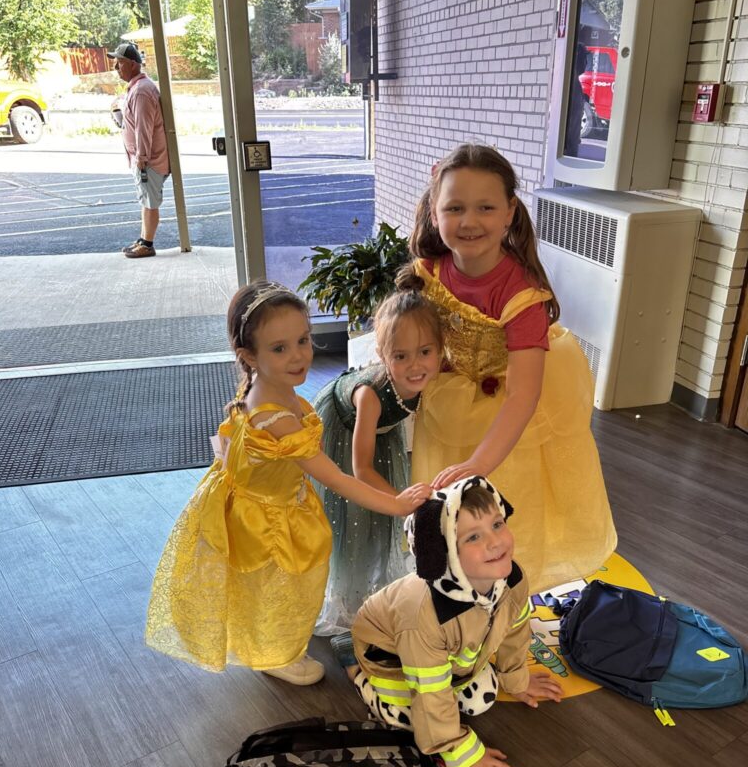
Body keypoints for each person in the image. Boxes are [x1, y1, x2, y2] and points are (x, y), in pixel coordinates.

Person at [145, 281, 431, 685]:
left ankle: (273, 641)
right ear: (250, 356)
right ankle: (276, 653)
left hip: (267, 500)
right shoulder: (276, 419)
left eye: (303, 340)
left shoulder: (268, 388)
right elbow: (337, 478)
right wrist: (398, 504)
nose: (299, 355)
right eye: (280, 348)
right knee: (279, 581)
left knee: (277, 582)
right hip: (266, 517)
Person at [397, 142, 616, 594]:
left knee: (501, 520)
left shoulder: (521, 295)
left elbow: (523, 395)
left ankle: (506, 602)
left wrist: (478, 463)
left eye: (486, 207)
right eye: (454, 208)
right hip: (450, 406)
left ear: (510, 212)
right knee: (452, 520)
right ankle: (456, 594)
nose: (469, 221)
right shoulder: (429, 271)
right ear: (434, 211)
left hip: (509, 420)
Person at [349, 476, 563, 767]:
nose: (496, 542)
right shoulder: (422, 616)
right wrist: (464, 755)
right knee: (408, 722)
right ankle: (356, 673)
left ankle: (449, 688)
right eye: (473, 536)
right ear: (442, 553)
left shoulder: (513, 578)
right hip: (388, 656)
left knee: (482, 699)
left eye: (497, 524)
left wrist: (517, 679)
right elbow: (430, 692)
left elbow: (516, 631)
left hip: (444, 655)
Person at [313, 289, 444, 634]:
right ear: (383, 355)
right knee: (355, 519)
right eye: (401, 356)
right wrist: (399, 503)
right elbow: (361, 470)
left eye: (425, 352)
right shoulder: (370, 396)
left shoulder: (432, 373)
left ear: (440, 349)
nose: (415, 365)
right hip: (344, 435)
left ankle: (379, 590)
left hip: (380, 434)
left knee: (381, 516)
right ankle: (349, 603)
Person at [109, 41, 170, 259]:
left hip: (149, 160)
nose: (116, 67)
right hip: (144, 159)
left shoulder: (142, 91)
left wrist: (142, 158)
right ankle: (143, 239)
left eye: (120, 62)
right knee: (145, 200)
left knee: (149, 202)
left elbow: (144, 128)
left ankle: (148, 244)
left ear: (133, 64)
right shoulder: (137, 88)